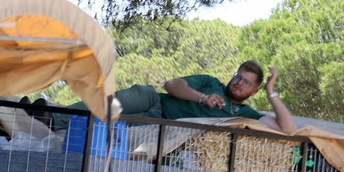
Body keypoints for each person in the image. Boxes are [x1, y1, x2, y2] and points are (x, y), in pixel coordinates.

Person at [81, 61, 295, 132]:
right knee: (106, 103)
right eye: (238, 76)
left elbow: (288, 129)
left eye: (246, 82)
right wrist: (202, 98)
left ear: (254, 91)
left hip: (160, 127)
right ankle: (52, 116)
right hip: (155, 101)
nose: (239, 83)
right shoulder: (211, 82)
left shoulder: (246, 114)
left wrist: (271, 91)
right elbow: (171, 84)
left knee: (103, 129)